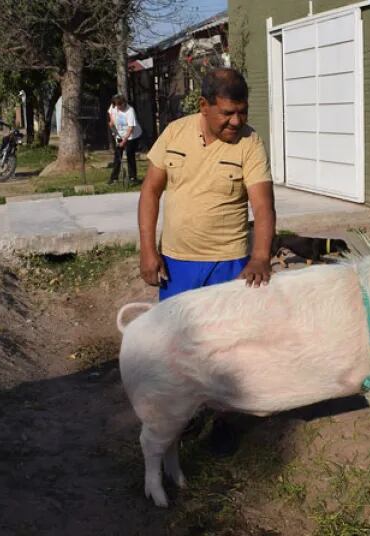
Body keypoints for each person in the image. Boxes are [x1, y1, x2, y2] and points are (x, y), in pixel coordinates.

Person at [137, 67, 276, 455]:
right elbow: (150, 192)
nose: (237, 121)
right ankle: (177, 420)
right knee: (176, 347)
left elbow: (263, 207)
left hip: (230, 265)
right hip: (178, 264)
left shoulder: (250, 143)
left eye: (242, 112)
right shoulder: (175, 134)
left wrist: (261, 256)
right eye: (227, 113)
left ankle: (223, 424)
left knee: (231, 348)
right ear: (204, 106)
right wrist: (148, 250)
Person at [109, 95, 142, 185]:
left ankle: (132, 177)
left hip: (132, 136)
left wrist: (124, 141)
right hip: (119, 134)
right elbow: (110, 114)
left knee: (130, 155)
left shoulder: (130, 111)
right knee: (117, 156)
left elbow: (131, 128)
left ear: (124, 103)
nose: (119, 107)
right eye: (118, 105)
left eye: (121, 105)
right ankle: (114, 178)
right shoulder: (113, 107)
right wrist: (112, 124)